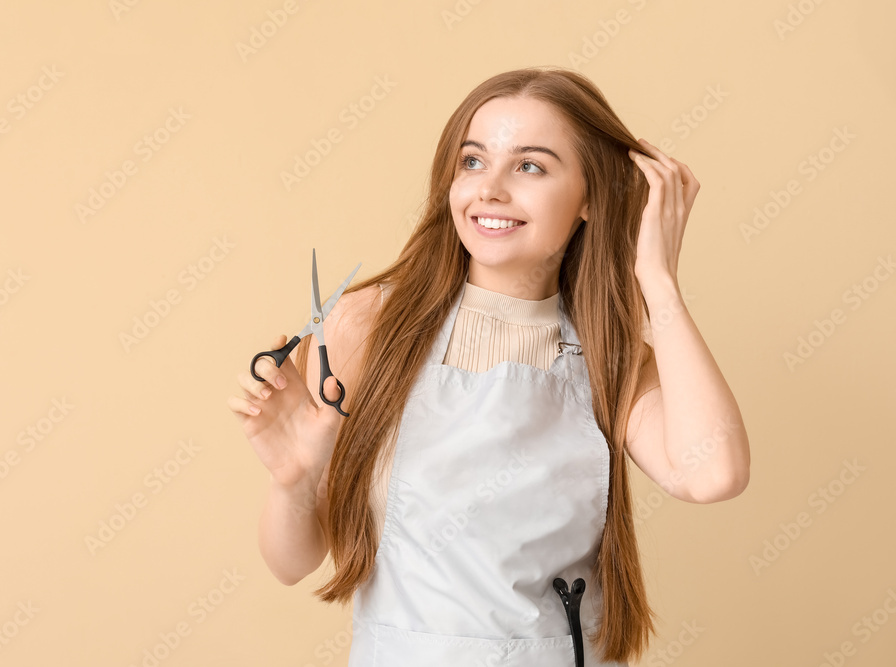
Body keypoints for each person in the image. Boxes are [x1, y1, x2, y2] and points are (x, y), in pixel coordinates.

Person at [230, 66, 750, 666]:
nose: (490, 189)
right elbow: (290, 563)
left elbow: (713, 474)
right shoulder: (365, 327)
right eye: (473, 161)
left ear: (589, 198)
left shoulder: (612, 355)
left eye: (530, 166)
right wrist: (294, 480)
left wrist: (657, 285)